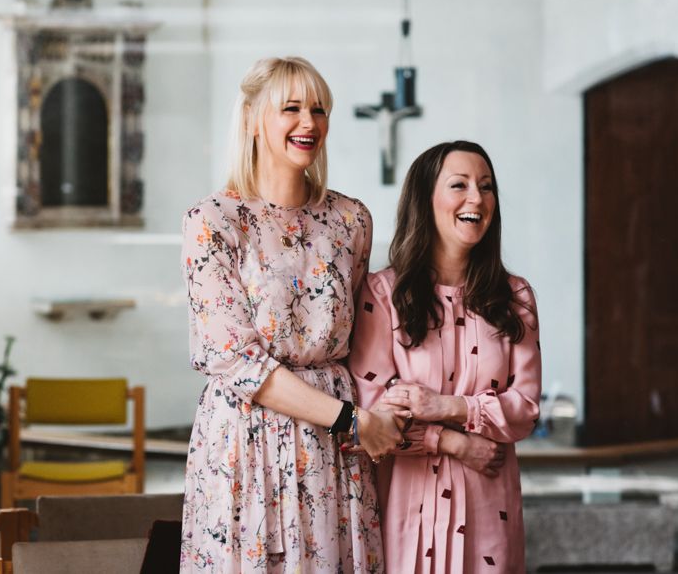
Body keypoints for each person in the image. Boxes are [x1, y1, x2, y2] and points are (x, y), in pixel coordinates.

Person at [180, 56, 402, 573]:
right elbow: (237, 362)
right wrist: (351, 419)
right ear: (255, 119)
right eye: (293, 109)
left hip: (332, 454)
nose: (310, 123)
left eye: (319, 110)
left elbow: (363, 338)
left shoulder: (351, 220)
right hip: (246, 440)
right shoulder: (212, 221)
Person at [349, 140, 542, 573]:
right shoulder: (382, 296)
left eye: (486, 186)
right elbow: (373, 415)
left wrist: (446, 407)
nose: (477, 197)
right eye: (460, 185)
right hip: (408, 510)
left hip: (489, 510)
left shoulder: (516, 297)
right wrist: (453, 441)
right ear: (426, 199)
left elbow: (525, 409)